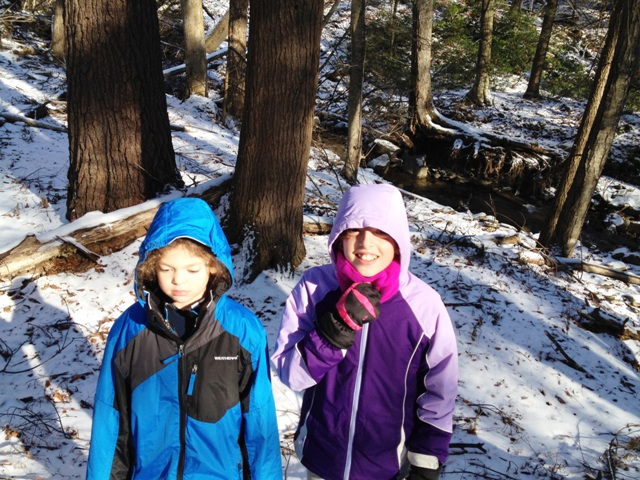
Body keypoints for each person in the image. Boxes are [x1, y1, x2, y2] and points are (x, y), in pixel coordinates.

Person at [271, 183, 458, 480]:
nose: (365, 243)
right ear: (339, 236)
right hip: (322, 458)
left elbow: (439, 387)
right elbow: (291, 374)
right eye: (354, 230)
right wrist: (331, 336)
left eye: (381, 232)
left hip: (386, 464)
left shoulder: (424, 305)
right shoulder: (315, 288)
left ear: (398, 240)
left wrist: (426, 458)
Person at [86, 197, 282, 480]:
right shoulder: (130, 330)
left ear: (213, 267)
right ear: (152, 267)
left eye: (192, 270)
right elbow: (111, 419)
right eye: (166, 269)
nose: (178, 280)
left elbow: (260, 421)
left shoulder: (242, 330)